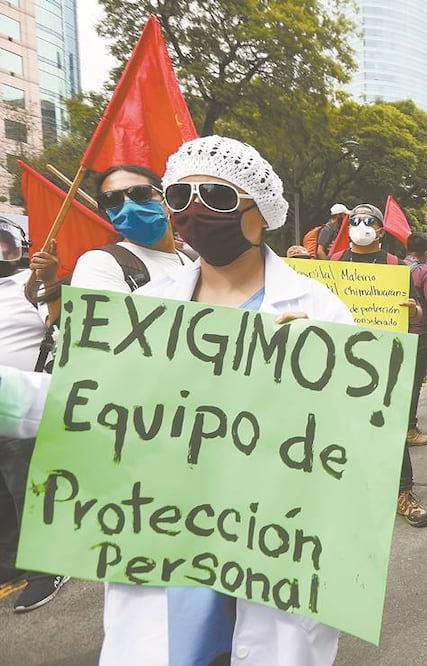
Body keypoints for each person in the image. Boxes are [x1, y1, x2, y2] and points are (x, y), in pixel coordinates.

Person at [2, 136, 353, 663]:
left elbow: (352, 438)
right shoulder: (145, 310)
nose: (193, 211)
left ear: (259, 211)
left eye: (214, 195)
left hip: (266, 538)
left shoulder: (320, 310)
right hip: (163, 529)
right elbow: (84, 400)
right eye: (179, 197)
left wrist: (311, 374)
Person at [328, 203, 427, 528]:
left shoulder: (395, 266)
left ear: (381, 230)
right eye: (355, 221)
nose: (360, 225)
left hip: (382, 360)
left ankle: (404, 493)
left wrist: (411, 311)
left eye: (368, 221)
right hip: (340, 360)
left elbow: (415, 315)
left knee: (390, 427)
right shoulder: (333, 264)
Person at [0, 220, 68, 613]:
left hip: (23, 405)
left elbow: (56, 325)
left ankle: (49, 564)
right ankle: (10, 559)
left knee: (28, 488)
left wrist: (51, 279)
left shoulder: (31, 282)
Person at [71, 164, 194, 292]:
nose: (128, 205)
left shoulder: (194, 261)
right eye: (111, 199)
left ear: (168, 200)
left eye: (140, 193)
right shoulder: (99, 263)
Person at [403, 233, 427, 446]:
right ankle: (409, 429)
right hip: (419, 333)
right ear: (426, 252)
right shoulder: (425, 272)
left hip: (396, 332)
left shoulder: (395, 267)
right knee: (414, 383)